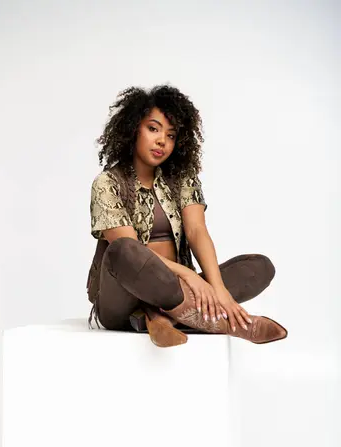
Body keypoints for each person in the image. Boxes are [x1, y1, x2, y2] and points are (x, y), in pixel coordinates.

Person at [86, 85, 288, 347]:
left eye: (171, 135)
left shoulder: (182, 179)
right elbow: (129, 248)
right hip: (123, 296)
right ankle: (223, 323)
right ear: (133, 128)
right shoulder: (107, 183)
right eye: (153, 129)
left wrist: (219, 290)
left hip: (176, 287)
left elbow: (196, 231)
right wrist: (191, 277)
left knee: (259, 268)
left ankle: (160, 316)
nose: (162, 141)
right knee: (124, 249)